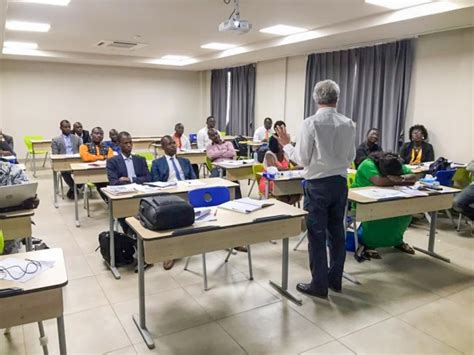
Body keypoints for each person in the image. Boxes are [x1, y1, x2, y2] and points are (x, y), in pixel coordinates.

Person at [275, 79, 356, 299]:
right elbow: (351, 157)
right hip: (340, 183)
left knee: (317, 235)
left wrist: (286, 145)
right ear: (337, 99)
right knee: (337, 232)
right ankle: (335, 280)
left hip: (318, 184)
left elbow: (301, 158)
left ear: (315, 98)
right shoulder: (349, 123)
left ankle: (319, 285)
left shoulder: (310, 123)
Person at [352, 152, 417, 260]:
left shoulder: (394, 162)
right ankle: (369, 243)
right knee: (379, 215)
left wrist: (399, 179)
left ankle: (397, 240)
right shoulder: (368, 164)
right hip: (364, 201)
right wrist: (403, 180)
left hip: (391, 197)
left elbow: (413, 177)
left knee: (405, 212)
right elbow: (379, 181)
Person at [150, 135, 196, 270]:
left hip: (187, 191)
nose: (173, 146)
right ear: (163, 148)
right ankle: (169, 252)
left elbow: (193, 179)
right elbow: (156, 184)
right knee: (171, 217)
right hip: (169, 196)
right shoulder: (157, 163)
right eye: (169, 144)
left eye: (174, 143)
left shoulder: (185, 161)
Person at [107, 131, 151, 233]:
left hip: (142, 192)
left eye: (130, 142)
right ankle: (131, 236)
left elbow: (149, 178)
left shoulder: (140, 159)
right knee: (125, 215)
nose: (129, 145)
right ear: (118, 144)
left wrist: (130, 179)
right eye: (125, 143)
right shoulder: (112, 161)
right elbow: (113, 182)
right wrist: (138, 181)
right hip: (124, 195)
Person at [259, 136, 301, 205]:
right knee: (283, 197)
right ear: (276, 144)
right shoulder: (269, 154)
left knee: (296, 194)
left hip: (285, 180)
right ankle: (285, 208)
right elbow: (273, 169)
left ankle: (287, 208)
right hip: (270, 181)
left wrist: (299, 166)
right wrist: (291, 169)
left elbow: (298, 164)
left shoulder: (285, 153)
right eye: (281, 142)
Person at [79, 127, 114, 201]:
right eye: (96, 133)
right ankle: (109, 202)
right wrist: (102, 157)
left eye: (101, 134)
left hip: (106, 172)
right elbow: (85, 157)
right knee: (101, 183)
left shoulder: (108, 148)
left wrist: (94, 157)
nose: (99, 135)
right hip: (91, 174)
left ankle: (114, 202)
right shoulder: (84, 146)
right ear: (91, 135)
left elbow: (111, 159)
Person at [51, 119, 83, 199]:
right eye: (65, 127)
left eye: (69, 127)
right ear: (61, 128)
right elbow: (55, 155)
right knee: (64, 172)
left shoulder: (77, 138)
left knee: (83, 172)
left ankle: (74, 189)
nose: (68, 129)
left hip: (76, 162)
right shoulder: (56, 140)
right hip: (64, 163)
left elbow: (82, 152)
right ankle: (74, 189)